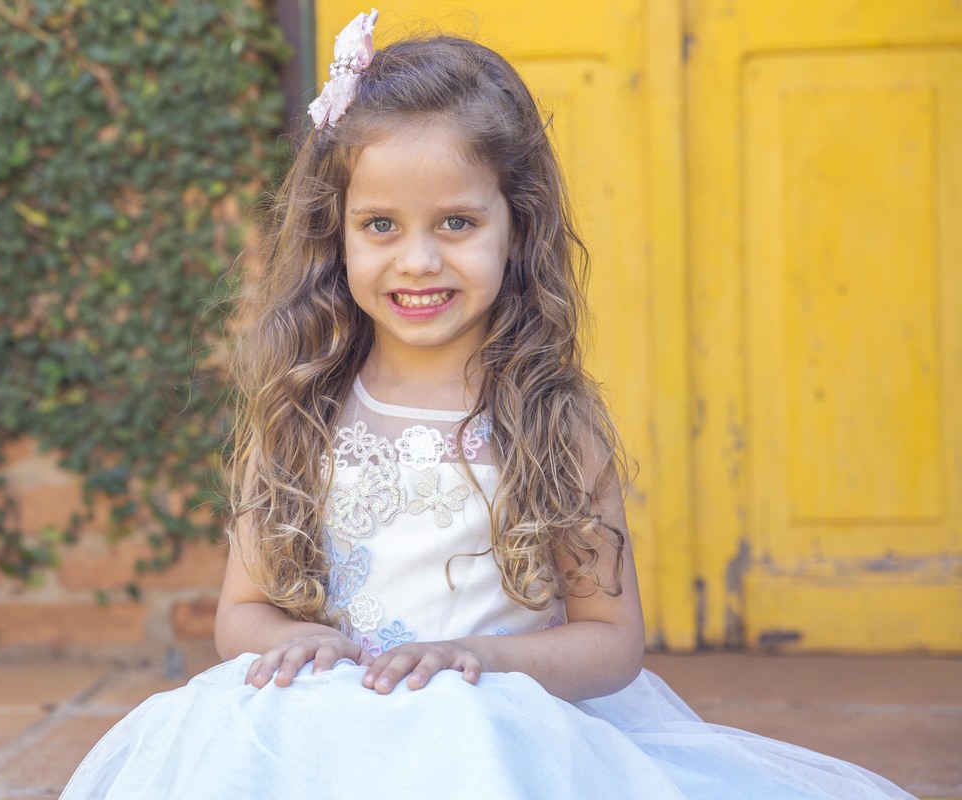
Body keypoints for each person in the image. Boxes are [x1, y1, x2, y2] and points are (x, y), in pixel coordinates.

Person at [60, 11, 914, 799]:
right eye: (381, 225)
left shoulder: (552, 422)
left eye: (457, 224)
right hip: (326, 723)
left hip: (499, 729)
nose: (418, 260)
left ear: (518, 227)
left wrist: (478, 660)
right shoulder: (299, 414)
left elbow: (610, 640)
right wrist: (291, 642)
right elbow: (239, 614)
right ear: (335, 232)